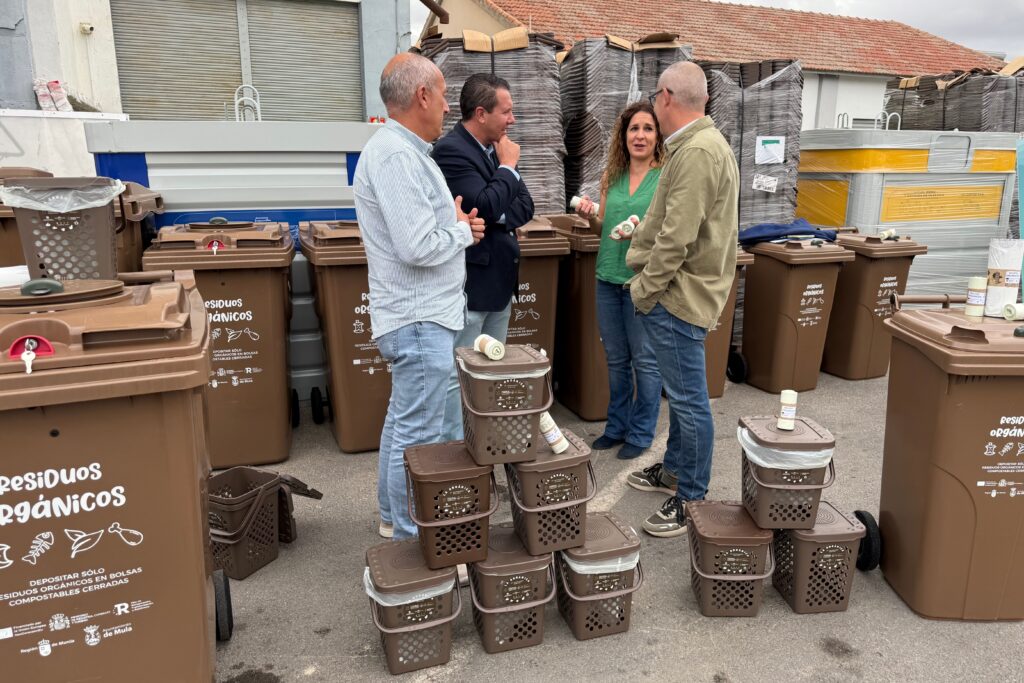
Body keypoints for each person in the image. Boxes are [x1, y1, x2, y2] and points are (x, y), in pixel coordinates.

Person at [353, 53, 485, 540]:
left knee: (403, 424)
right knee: (420, 435)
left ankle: (394, 520)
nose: (449, 106)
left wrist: (451, 224)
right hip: (419, 319)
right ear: (422, 95)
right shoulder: (396, 156)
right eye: (444, 95)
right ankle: (413, 540)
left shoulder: (404, 152)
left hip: (416, 317)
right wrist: (462, 232)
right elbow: (417, 246)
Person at [624, 61, 739, 537]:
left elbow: (677, 238)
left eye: (655, 97)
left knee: (690, 403)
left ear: (666, 97)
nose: (654, 105)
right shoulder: (696, 146)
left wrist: (644, 290)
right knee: (682, 396)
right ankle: (674, 471)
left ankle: (691, 497)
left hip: (677, 297)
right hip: (680, 294)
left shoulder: (696, 152)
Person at [432, 73, 535, 441]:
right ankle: (455, 447)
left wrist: (496, 208)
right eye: (506, 112)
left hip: (500, 284)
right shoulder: (452, 151)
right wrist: (506, 170)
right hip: (471, 287)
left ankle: (485, 442)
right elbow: (484, 206)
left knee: (493, 368)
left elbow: (525, 206)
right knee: (460, 372)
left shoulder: (497, 149)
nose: (512, 120)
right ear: (480, 113)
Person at [573, 102, 666, 460]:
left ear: (658, 136)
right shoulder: (612, 177)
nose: (640, 136)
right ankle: (616, 427)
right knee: (615, 359)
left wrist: (641, 233)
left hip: (642, 280)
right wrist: (589, 217)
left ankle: (641, 433)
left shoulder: (664, 177)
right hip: (608, 276)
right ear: (624, 136)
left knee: (645, 360)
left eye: (647, 128)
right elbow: (604, 227)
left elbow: (668, 230)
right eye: (633, 129)